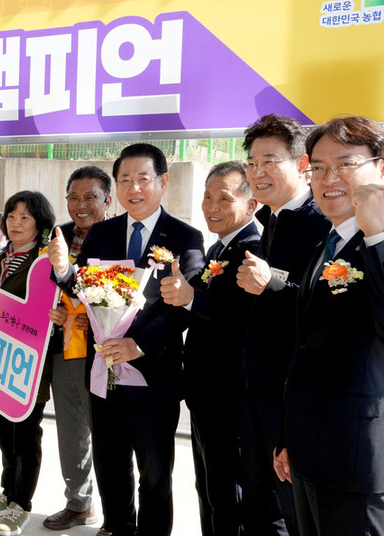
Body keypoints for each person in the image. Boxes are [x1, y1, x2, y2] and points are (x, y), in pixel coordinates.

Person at [48, 143, 205, 536]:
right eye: (124, 180)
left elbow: (182, 308)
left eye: (142, 179)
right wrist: (64, 270)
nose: (133, 188)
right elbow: (83, 289)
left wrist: (139, 345)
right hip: (104, 375)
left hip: (155, 378)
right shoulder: (102, 233)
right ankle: (118, 527)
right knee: (111, 465)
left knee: (154, 475)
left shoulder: (185, 236)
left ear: (163, 182)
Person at [272, 116, 384, 535]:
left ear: (381, 167)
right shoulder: (326, 241)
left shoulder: (377, 240)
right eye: (317, 167)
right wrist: (288, 437)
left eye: (345, 164)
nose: (328, 178)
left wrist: (378, 238)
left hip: (359, 455)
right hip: (307, 449)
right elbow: (302, 347)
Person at [235, 113, 330, 535]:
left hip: (294, 395)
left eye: (270, 161)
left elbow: (323, 305)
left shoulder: (322, 221)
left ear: (302, 164)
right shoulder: (269, 219)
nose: (258, 172)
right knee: (258, 504)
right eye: (252, 163)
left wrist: (270, 282)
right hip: (257, 390)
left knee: (295, 511)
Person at [160, 161, 260, 535]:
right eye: (206, 197)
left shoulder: (252, 249)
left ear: (250, 206)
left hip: (229, 394)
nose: (211, 206)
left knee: (227, 493)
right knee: (209, 489)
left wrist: (190, 299)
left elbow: (240, 318)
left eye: (224, 198)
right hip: (204, 394)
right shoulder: (220, 247)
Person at [0, 190, 64, 536]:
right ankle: (8, 491)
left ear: (39, 223)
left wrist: (61, 313)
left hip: (29, 366)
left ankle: (22, 505)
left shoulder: (46, 260)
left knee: (25, 435)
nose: (16, 223)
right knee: (2, 432)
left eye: (25, 217)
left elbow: (60, 300)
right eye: (11, 216)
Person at [42, 166, 112, 531]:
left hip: (106, 354)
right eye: (73, 197)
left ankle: (116, 513)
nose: (80, 205)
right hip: (62, 350)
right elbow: (39, 288)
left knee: (108, 434)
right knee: (70, 430)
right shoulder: (57, 237)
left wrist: (92, 313)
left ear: (107, 201)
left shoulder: (119, 235)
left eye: (90, 198)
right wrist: (51, 312)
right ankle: (78, 502)